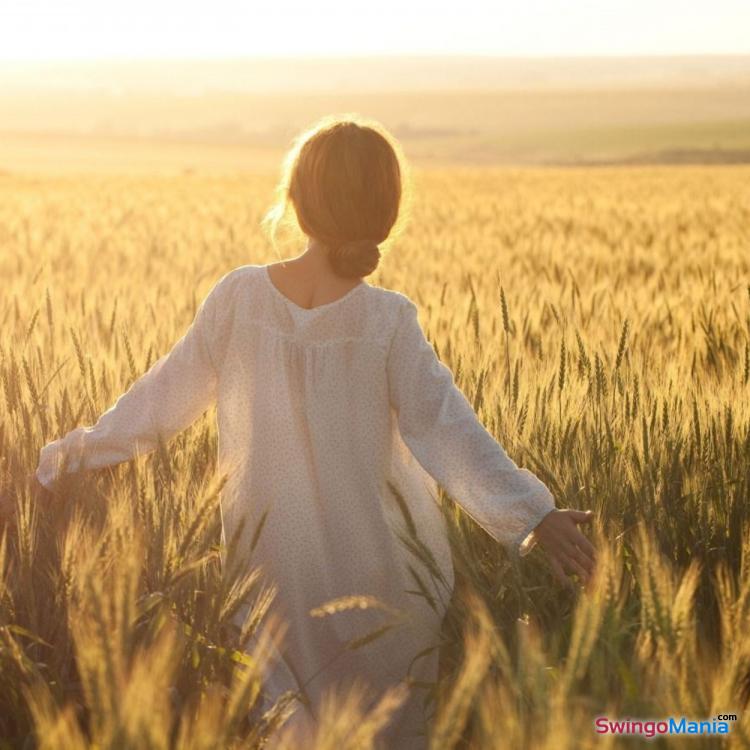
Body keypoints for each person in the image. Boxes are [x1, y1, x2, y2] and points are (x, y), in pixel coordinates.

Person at [34, 114, 596, 748]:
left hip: (270, 577)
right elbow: (448, 433)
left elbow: (157, 404)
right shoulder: (387, 320)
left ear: (297, 203)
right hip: (387, 584)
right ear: (386, 213)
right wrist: (532, 517)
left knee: (287, 732)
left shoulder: (239, 299)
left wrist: (61, 461)